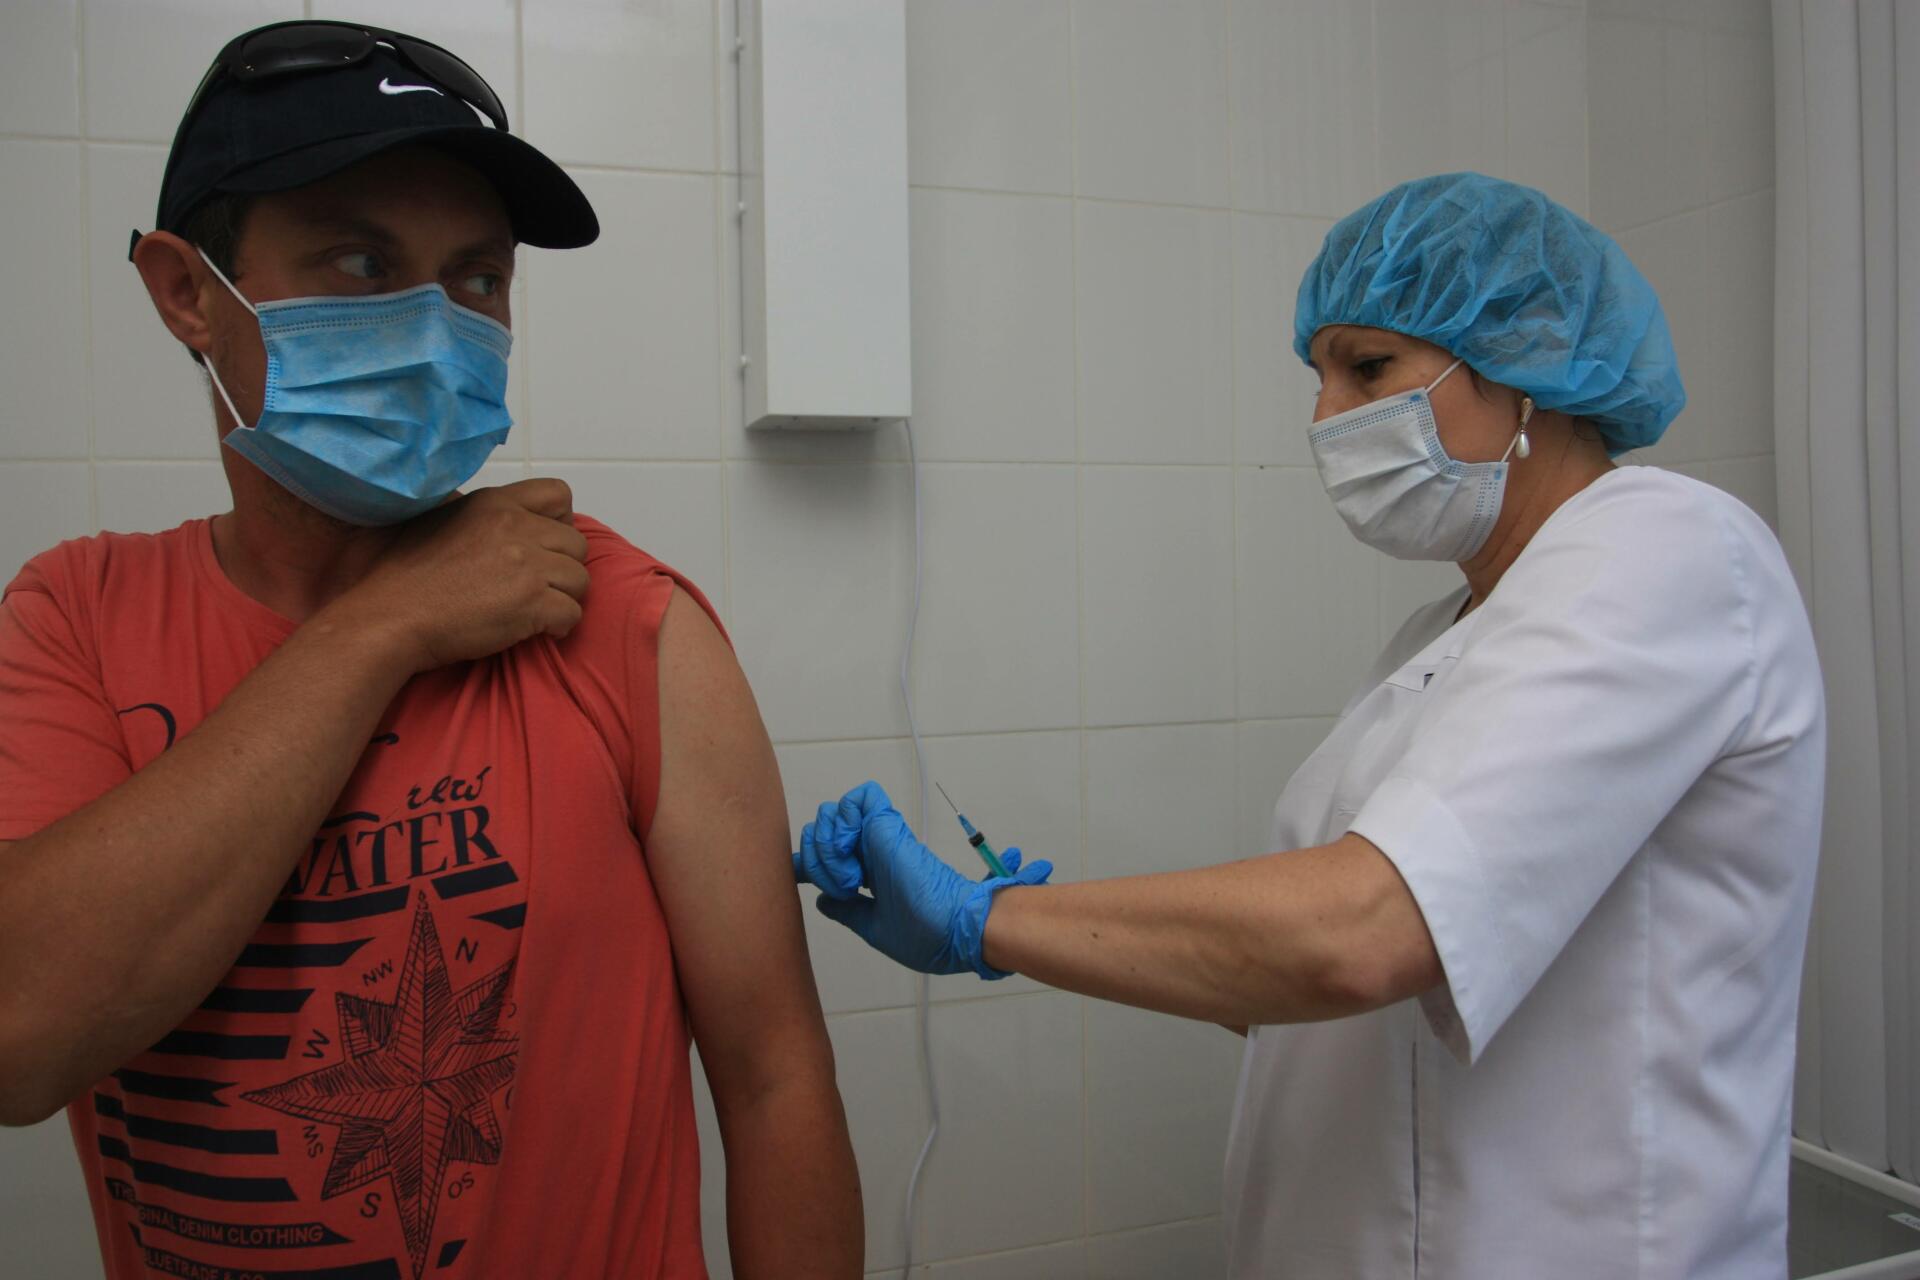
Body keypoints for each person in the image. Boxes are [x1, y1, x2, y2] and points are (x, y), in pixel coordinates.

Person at [794, 172, 1825, 1278]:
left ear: (1529, 362)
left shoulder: (1666, 550)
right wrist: (1035, 925)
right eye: (1320, 378)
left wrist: (986, 921)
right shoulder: (1448, 632)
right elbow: (1310, 996)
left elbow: (1359, 936)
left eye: (1368, 367)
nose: (1328, 418)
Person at [0, 21, 859, 1280]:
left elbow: (777, 1077)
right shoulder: (75, 615)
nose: (434, 327)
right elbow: (21, 1034)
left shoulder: (617, 622)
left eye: (477, 279)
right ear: (188, 292)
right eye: (359, 261)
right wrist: (383, 625)